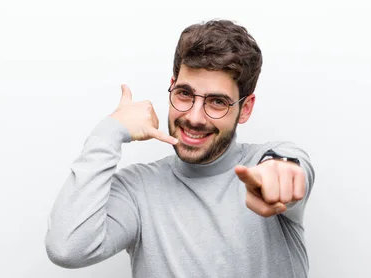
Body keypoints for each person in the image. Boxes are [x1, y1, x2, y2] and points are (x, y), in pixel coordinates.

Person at [45, 19, 315, 278]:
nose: (195, 117)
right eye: (185, 94)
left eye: (217, 102)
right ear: (172, 88)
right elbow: (67, 249)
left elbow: (289, 171)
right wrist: (108, 132)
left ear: (245, 109)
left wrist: (278, 177)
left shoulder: (266, 162)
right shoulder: (137, 189)